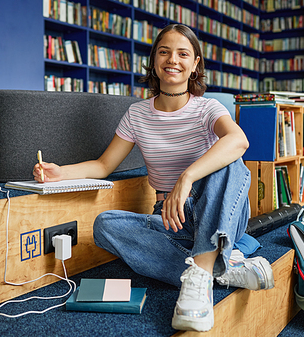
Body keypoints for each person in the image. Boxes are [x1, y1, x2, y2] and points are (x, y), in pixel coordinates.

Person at [33, 24, 274, 332]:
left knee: (230, 161)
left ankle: (199, 276)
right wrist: (59, 173)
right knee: (105, 225)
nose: (173, 59)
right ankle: (218, 267)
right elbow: (104, 165)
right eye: (164, 52)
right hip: (171, 219)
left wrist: (185, 179)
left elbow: (239, 141)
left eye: (183, 53)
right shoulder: (137, 114)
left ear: (195, 64)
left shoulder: (207, 109)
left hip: (217, 212)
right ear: (154, 60)